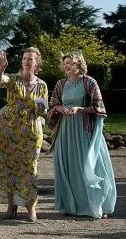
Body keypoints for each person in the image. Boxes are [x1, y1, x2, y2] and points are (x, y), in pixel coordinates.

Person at [0, 48, 48, 222]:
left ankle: (31, 206)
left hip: (31, 130)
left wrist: (41, 110)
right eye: (24, 58)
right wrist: (1, 66)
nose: (26, 61)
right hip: (8, 129)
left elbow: (44, 109)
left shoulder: (42, 85)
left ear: (37, 62)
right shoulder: (13, 79)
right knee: (9, 166)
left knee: (30, 168)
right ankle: (11, 204)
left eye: (30, 59)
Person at [48, 52, 116, 218]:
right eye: (65, 64)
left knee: (88, 165)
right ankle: (71, 206)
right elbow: (53, 103)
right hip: (65, 130)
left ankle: (98, 205)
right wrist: (59, 109)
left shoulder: (89, 82)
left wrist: (80, 109)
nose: (66, 66)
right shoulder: (60, 84)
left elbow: (99, 107)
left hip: (84, 130)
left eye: (70, 63)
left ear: (79, 65)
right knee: (68, 166)